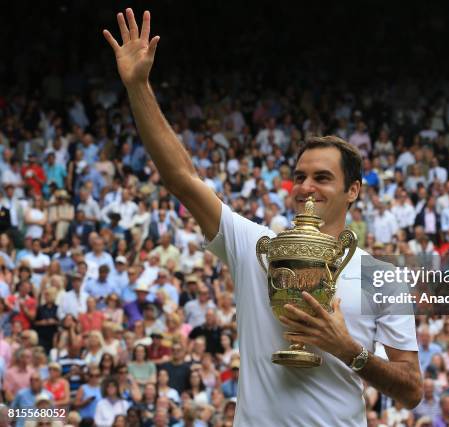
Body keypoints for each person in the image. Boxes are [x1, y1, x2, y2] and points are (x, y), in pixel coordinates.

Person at [103, 9, 422, 426]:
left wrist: (348, 349)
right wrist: (139, 86)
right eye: (300, 177)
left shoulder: (383, 278)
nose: (307, 186)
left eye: (323, 178)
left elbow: (412, 388)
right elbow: (182, 179)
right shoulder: (259, 247)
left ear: (353, 190)